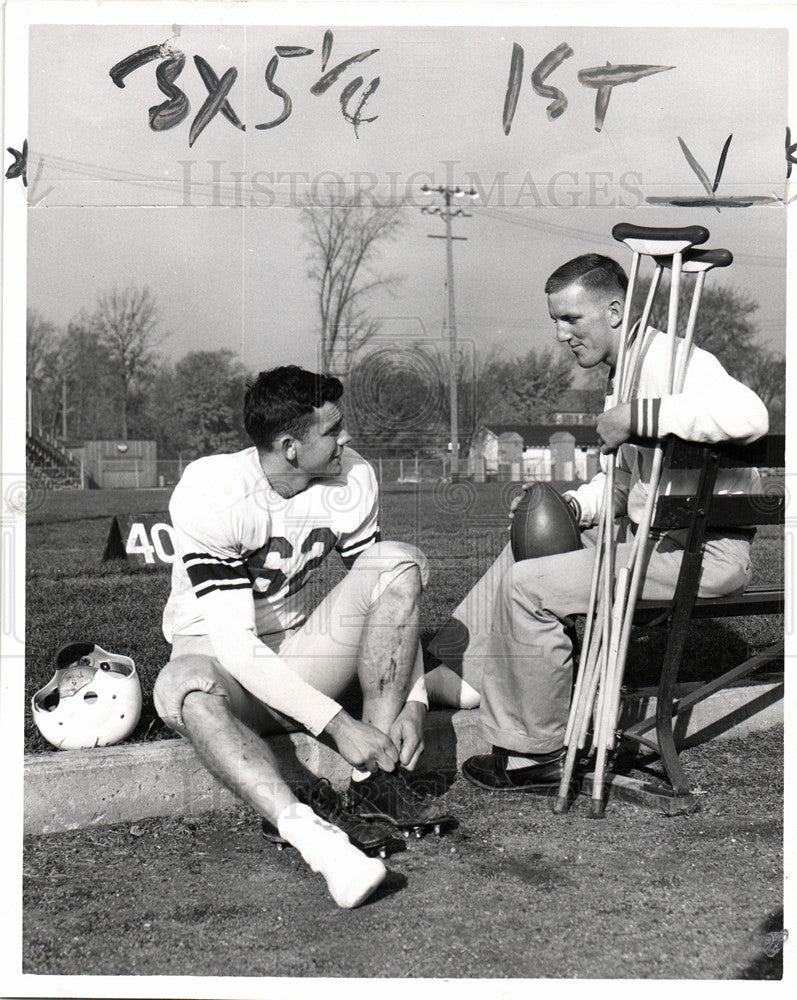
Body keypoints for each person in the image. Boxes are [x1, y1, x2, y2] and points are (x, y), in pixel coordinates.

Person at [426, 253, 769, 790]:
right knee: (528, 539)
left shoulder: (675, 362)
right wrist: (571, 507)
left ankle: (533, 755)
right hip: (652, 538)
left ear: (614, 310)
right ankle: (459, 664)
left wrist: (639, 416)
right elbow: (625, 488)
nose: (561, 334)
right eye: (554, 321)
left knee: (527, 588)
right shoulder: (626, 371)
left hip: (701, 555)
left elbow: (752, 415)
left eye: (571, 319)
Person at [153, 365, 449, 909]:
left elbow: (386, 594)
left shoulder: (352, 478)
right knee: (186, 684)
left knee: (398, 563)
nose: (346, 439)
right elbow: (237, 647)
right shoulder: (213, 489)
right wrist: (338, 726)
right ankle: (314, 840)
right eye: (332, 430)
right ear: (290, 446)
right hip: (221, 661)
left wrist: (414, 700)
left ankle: (376, 780)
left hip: (295, 655)